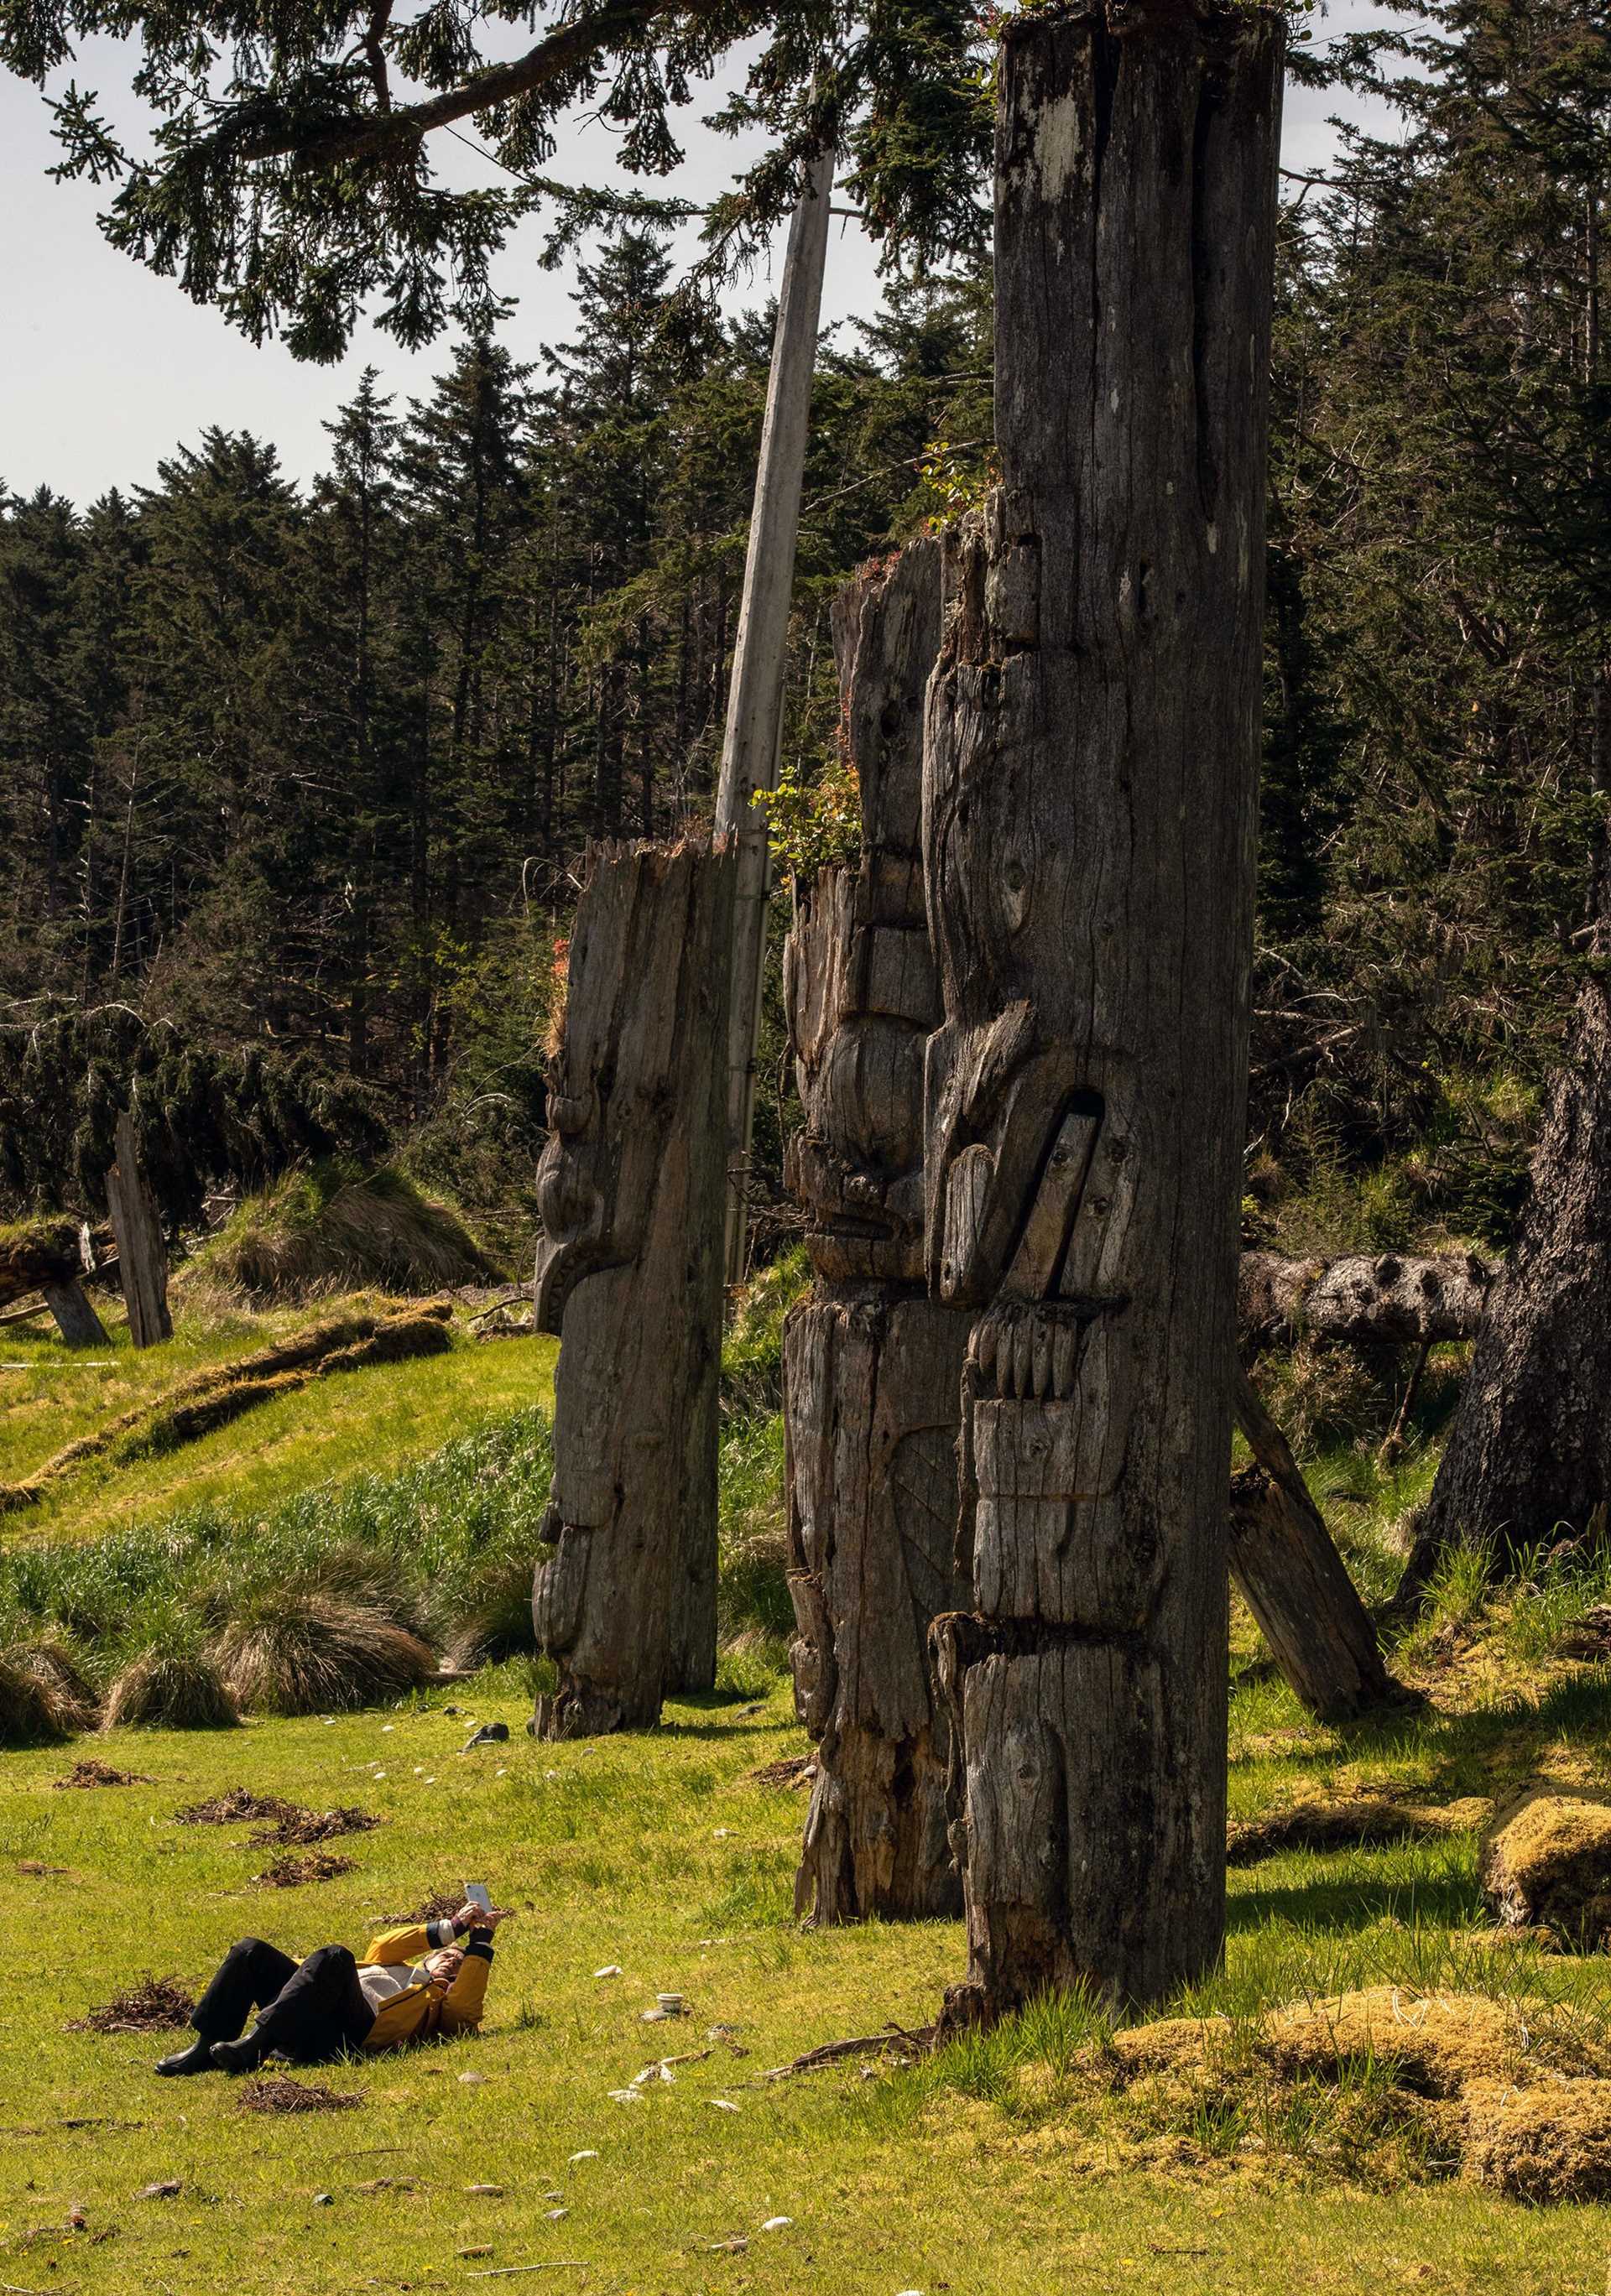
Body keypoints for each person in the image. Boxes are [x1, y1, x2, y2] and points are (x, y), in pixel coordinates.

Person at [155, 1899, 512, 2075]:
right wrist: (452, 1928)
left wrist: (480, 1946)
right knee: (250, 1950)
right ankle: (205, 2049)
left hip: (345, 2034)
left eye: (459, 1967)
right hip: (307, 2013)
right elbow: (386, 1942)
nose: (454, 1960)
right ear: (428, 1958)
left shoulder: (434, 2007)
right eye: (450, 1956)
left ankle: (255, 2045)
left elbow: (465, 2010)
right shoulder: (391, 1963)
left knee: (335, 1956)